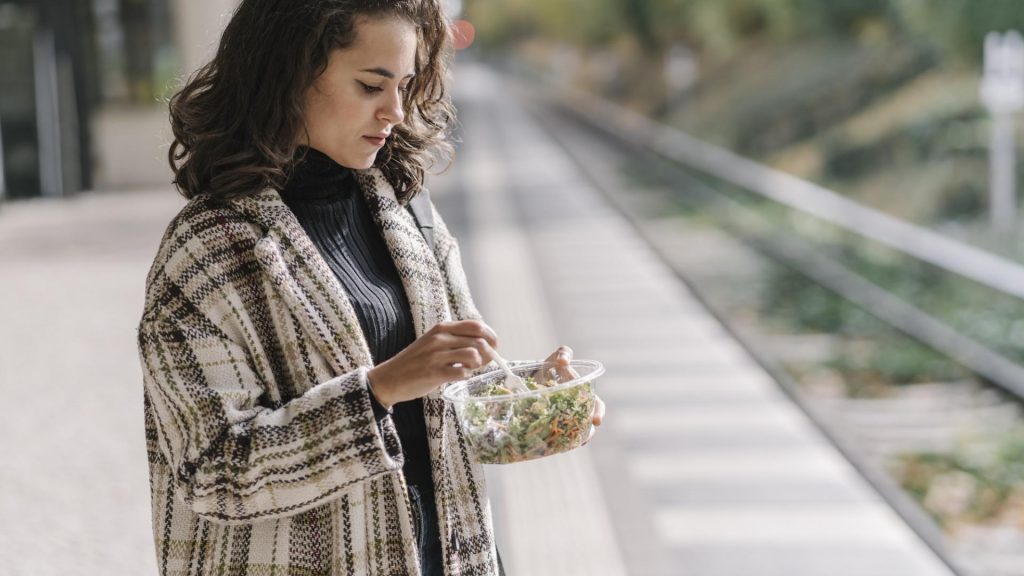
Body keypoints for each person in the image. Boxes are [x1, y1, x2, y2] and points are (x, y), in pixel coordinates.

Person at [136, 1, 605, 575]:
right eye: (370, 85)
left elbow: (442, 396)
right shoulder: (207, 252)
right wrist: (378, 391)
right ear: (289, 74)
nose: (395, 111)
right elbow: (210, 473)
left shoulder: (406, 211)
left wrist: (533, 398)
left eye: (406, 86)